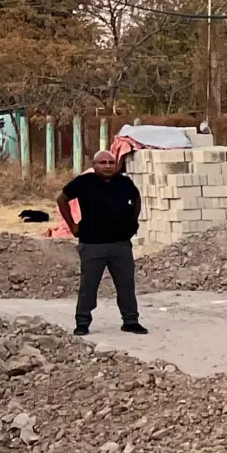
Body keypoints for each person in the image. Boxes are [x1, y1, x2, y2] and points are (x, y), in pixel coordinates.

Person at [58, 143, 147, 337]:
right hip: (92, 244)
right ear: (94, 165)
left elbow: (137, 199)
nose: (107, 166)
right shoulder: (84, 182)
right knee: (88, 286)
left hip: (120, 245)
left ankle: (131, 321)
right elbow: (61, 199)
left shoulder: (124, 182)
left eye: (111, 162)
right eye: (102, 163)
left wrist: (132, 223)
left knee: (126, 285)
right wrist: (73, 225)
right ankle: (82, 322)